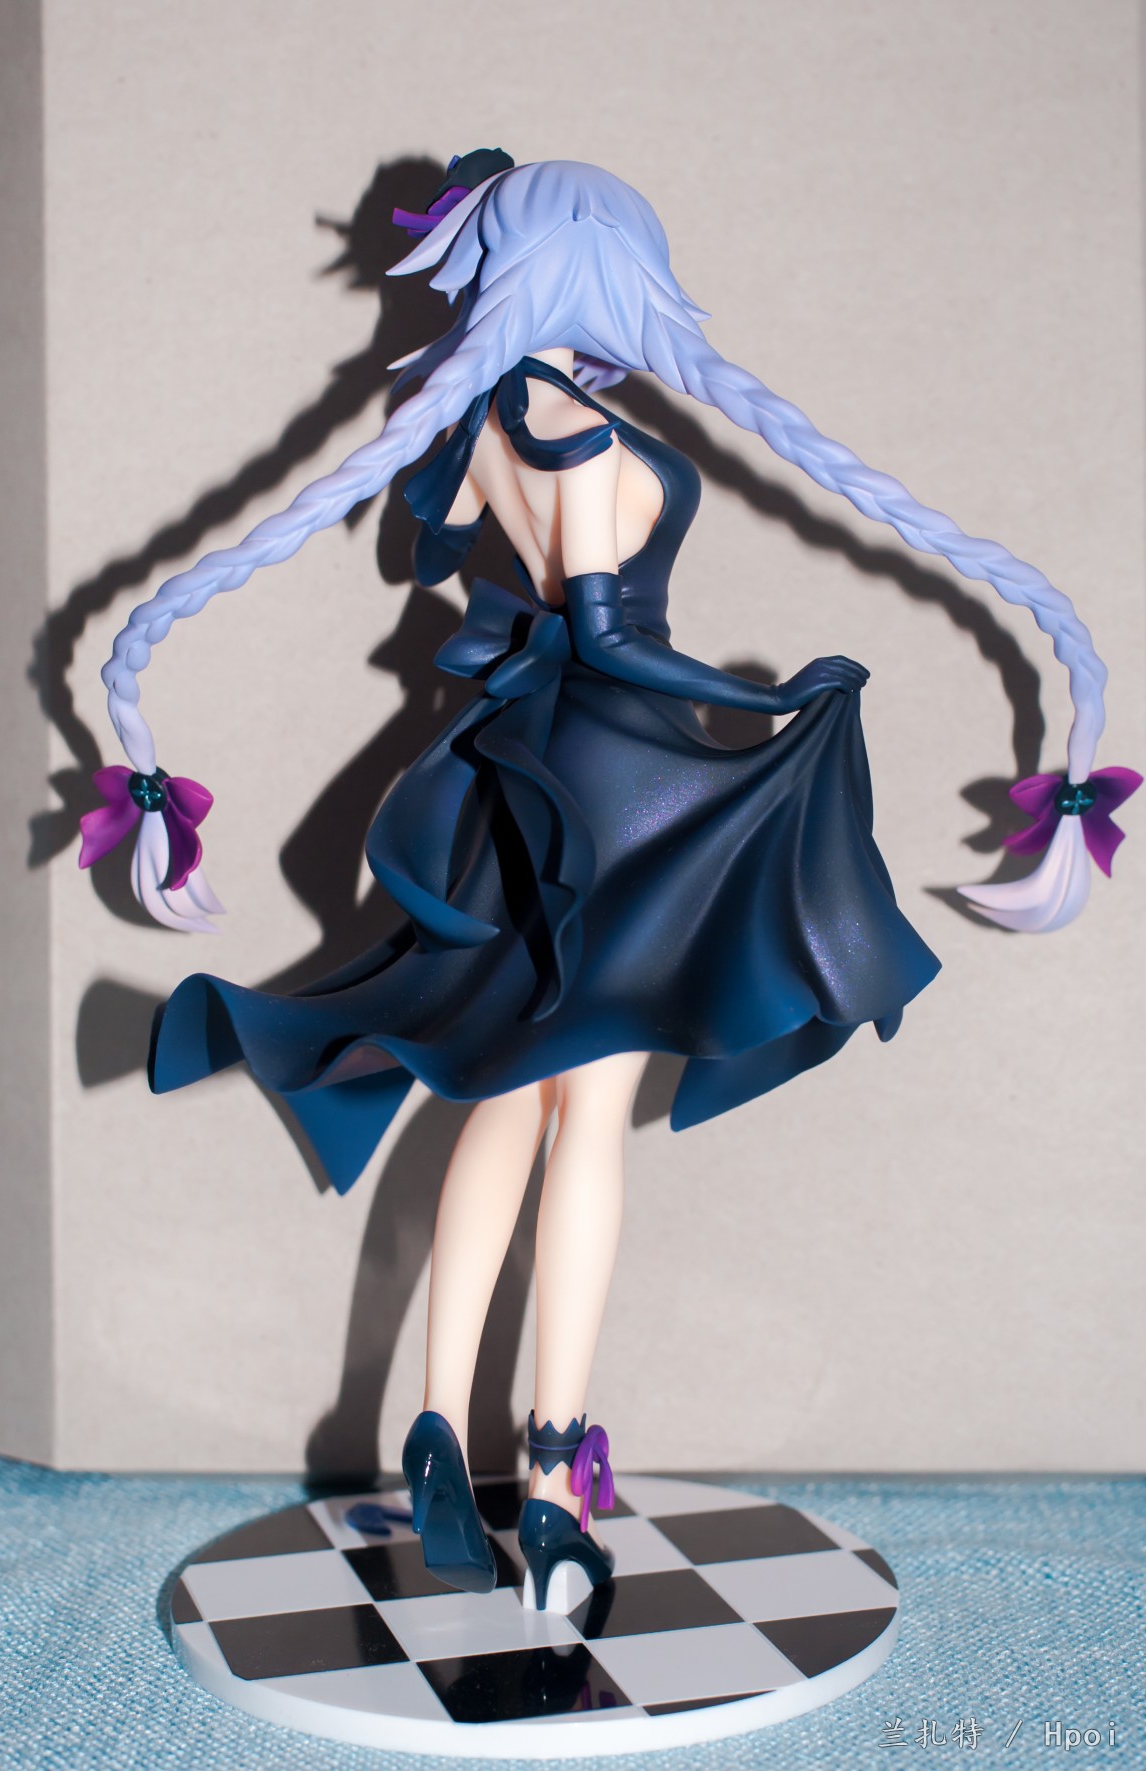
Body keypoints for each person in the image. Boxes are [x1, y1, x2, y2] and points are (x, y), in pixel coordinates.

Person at [80, 151, 1134, 1612]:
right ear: (603, 266)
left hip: (522, 774)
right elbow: (611, 634)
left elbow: (486, 582)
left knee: (509, 1096)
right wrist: (775, 703)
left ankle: (438, 1428)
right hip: (613, 783)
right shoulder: (573, 433)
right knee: (587, 1117)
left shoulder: (481, 423)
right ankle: (555, 1467)